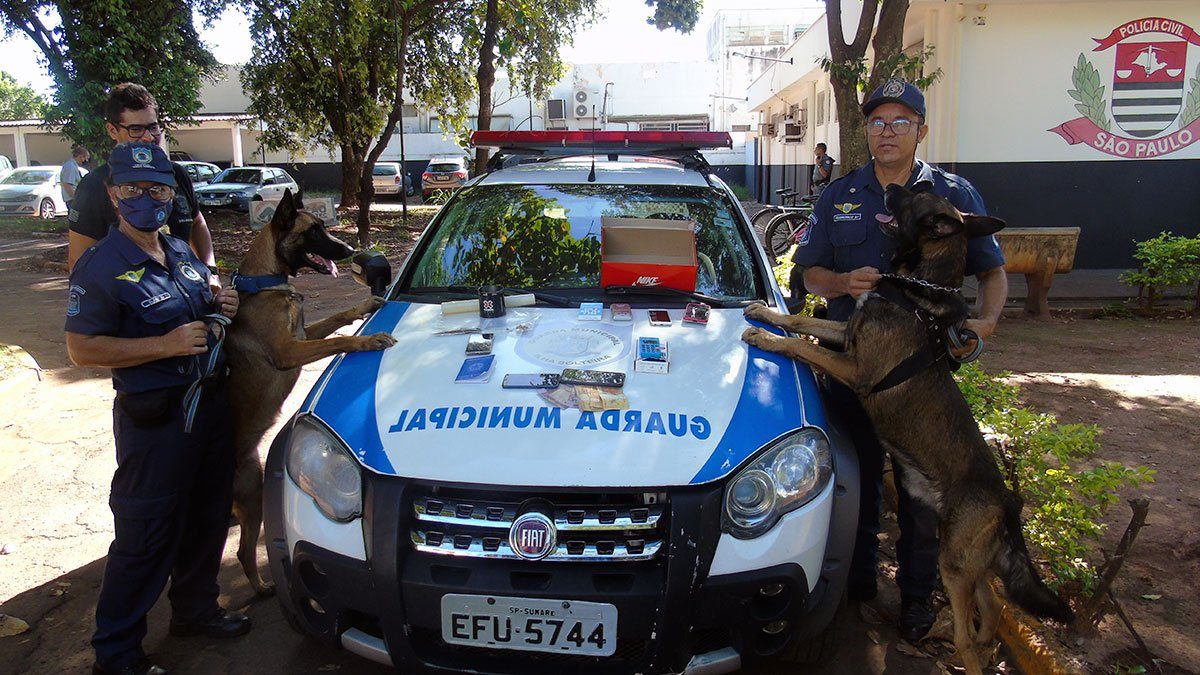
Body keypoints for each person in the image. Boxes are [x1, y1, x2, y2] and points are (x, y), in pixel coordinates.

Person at [791, 79, 1008, 642]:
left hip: (922, 379)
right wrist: (841, 281)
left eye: (900, 122)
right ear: (866, 130)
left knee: (923, 497)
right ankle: (857, 587)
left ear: (921, 129)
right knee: (854, 480)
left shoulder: (952, 194)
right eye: (878, 122)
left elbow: (992, 273)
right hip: (851, 365)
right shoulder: (839, 195)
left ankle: (916, 601)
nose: (887, 132)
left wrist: (984, 325)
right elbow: (809, 273)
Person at [65, 142, 248, 675]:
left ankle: (195, 610)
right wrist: (163, 345)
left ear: (172, 195)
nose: (146, 198)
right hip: (156, 421)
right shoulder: (100, 266)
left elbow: (200, 307)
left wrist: (222, 303)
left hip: (209, 408)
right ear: (112, 194)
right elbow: (81, 349)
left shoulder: (180, 251)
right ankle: (116, 653)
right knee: (145, 533)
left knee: (208, 515)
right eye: (133, 188)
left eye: (158, 189)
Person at [67, 83, 214, 282]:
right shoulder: (93, 186)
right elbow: (79, 262)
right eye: (136, 129)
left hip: (185, 291)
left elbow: (197, 223)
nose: (148, 137)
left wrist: (210, 271)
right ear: (112, 130)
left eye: (153, 127)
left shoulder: (177, 174)